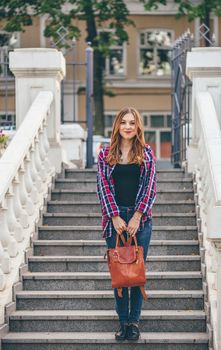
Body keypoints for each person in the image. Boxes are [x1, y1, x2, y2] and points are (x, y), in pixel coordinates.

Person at [96, 107, 157, 341]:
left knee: (136, 274)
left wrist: (137, 216)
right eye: (124, 123)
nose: (128, 127)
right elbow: (103, 187)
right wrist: (114, 216)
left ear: (138, 126)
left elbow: (150, 187)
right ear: (117, 126)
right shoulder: (105, 155)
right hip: (115, 221)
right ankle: (122, 323)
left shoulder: (147, 153)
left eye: (132, 123)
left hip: (140, 220)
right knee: (120, 274)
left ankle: (134, 322)